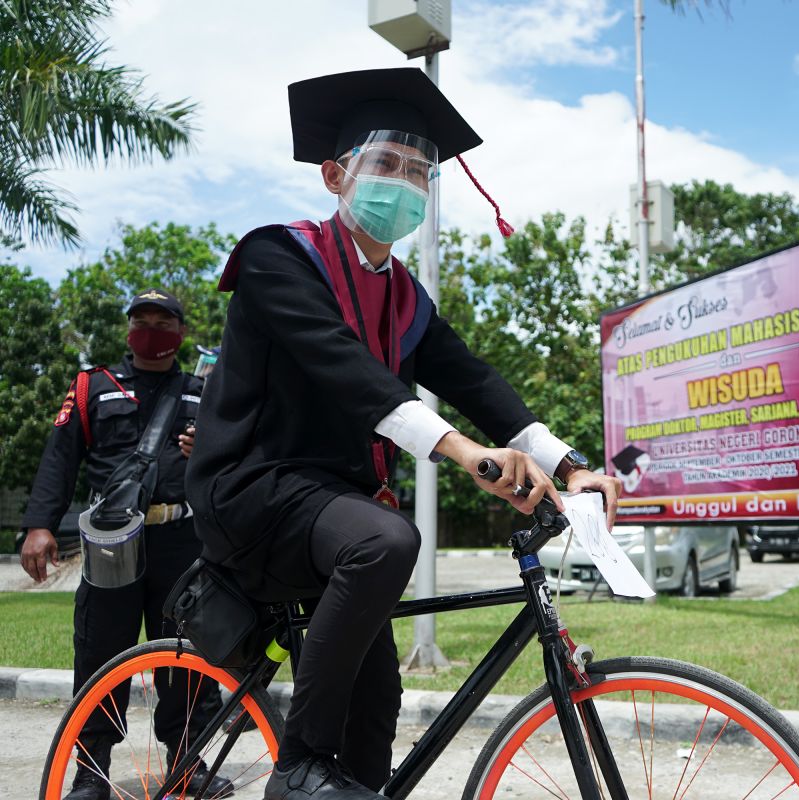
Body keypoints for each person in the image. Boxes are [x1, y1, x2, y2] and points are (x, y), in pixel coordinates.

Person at [185, 68, 621, 799]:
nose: (406, 184)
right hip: (252, 489)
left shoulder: (405, 298)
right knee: (387, 540)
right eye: (386, 164)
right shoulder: (277, 258)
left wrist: (570, 466)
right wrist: (462, 452)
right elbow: (346, 369)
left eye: (420, 172)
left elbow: (474, 380)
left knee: (375, 700)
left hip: (331, 507)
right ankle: (296, 769)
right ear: (335, 175)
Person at [20, 289, 233, 799]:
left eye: (164, 321)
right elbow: (60, 457)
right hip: (111, 539)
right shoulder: (95, 385)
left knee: (187, 656)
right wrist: (39, 525)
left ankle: (187, 763)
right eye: (142, 320)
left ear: (181, 333)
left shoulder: (207, 390)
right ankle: (90, 772)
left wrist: (211, 447)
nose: (152, 329)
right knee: (100, 652)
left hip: (183, 538)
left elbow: (239, 459)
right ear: (128, 329)